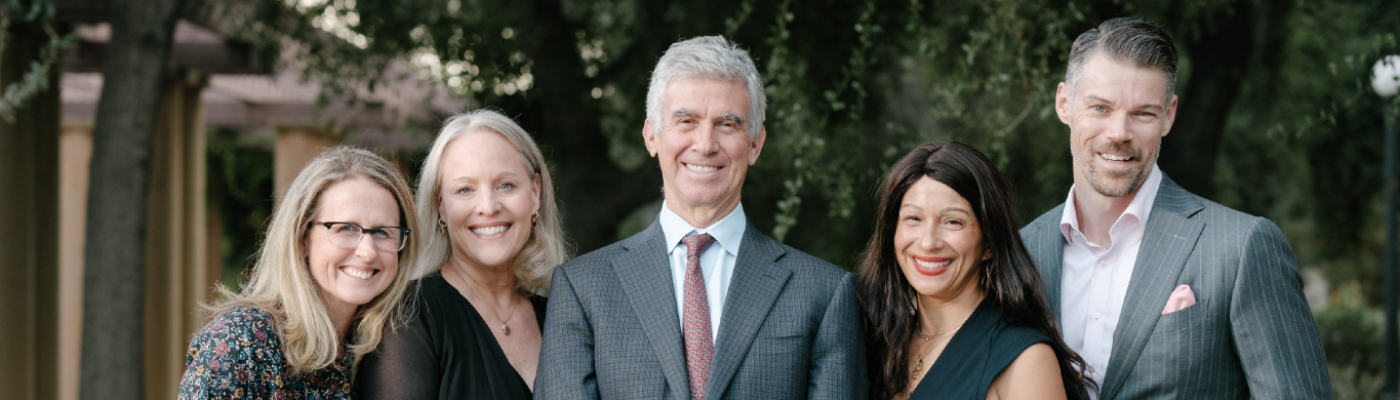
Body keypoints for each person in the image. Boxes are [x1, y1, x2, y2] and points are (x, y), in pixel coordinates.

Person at [534, 35, 867, 399]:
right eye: (687, 121)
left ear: (755, 144)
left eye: (727, 124)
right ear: (651, 136)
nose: (705, 144)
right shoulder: (582, 290)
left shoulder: (824, 293)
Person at [1018, 17, 1331, 399]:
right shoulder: (1019, 255)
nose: (1119, 133)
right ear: (1064, 103)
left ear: (1169, 115)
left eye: (1143, 113)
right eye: (1100, 108)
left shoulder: (1240, 247)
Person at [177, 146, 419, 399]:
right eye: (346, 228)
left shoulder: (393, 348)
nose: (367, 252)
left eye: (382, 232)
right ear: (303, 238)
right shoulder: (238, 343)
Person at [359, 109, 569, 399]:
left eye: (505, 185)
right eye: (465, 189)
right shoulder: (407, 317)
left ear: (535, 193)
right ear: (441, 206)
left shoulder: (564, 315)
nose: (488, 206)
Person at [859, 142, 1093, 400]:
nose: (928, 242)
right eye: (913, 219)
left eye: (953, 222)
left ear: (989, 243)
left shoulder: (1024, 357)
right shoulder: (882, 345)